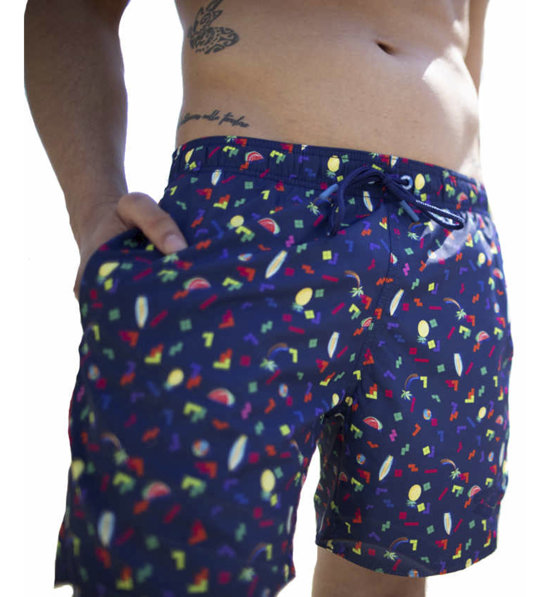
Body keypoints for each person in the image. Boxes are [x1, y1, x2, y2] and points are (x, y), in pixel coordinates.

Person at [24, 1, 513, 596]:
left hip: (445, 230)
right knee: (172, 566)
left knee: (388, 570)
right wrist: (94, 206)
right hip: (250, 212)